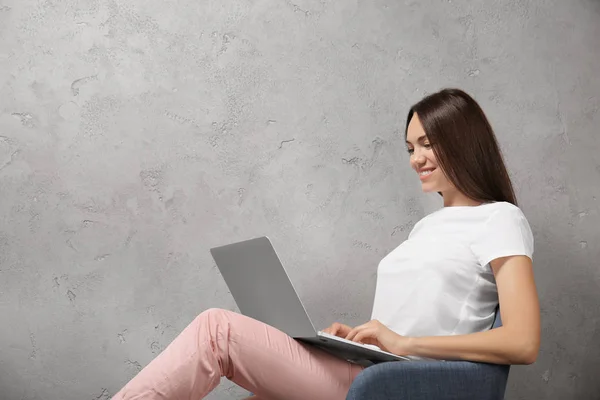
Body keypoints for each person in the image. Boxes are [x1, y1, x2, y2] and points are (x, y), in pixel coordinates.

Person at [112, 88, 541, 400]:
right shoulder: (426, 229)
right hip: (366, 367)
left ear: (463, 142)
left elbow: (523, 342)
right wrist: (360, 338)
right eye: (410, 147)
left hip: (401, 383)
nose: (416, 158)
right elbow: (410, 321)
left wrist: (403, 344)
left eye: (428, 144)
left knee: (216, 330)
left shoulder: (500, 219)